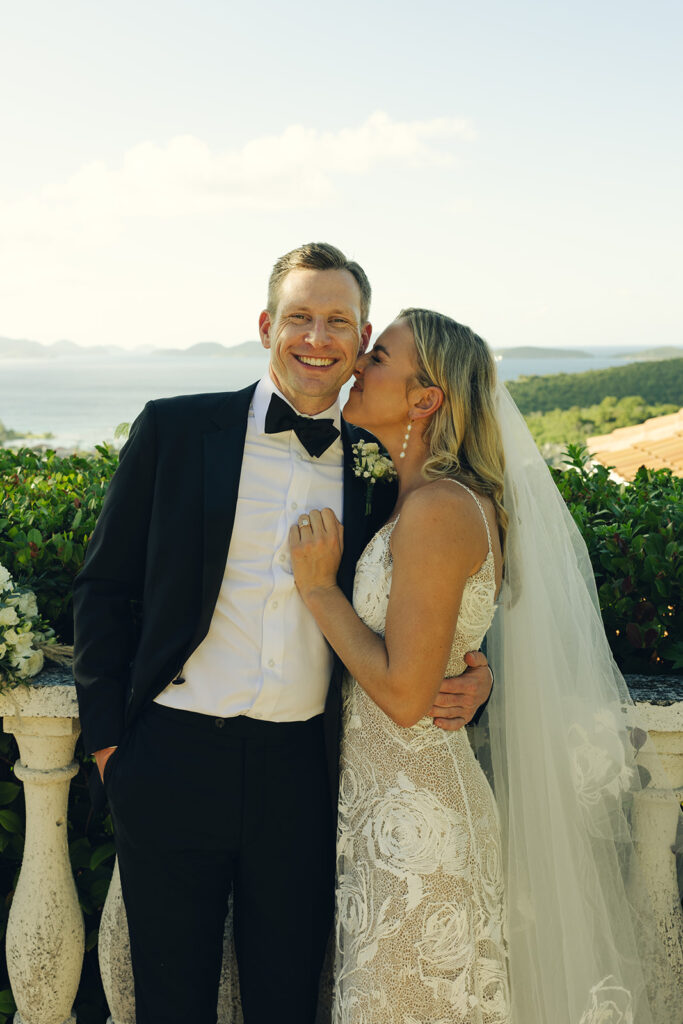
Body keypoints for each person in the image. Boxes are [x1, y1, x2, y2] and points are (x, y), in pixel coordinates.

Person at [72, 244, 493, 1024]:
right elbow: (104, 590)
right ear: (267, 325)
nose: (317, 337)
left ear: (362, 342)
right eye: (299, 316)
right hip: (168, 758)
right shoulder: (174, 429)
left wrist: (477, 671)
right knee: (170, 1001)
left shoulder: (380, 455)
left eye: (338, 322)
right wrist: (110, 749)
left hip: (302, 772)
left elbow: (424, 597)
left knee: (290, 997)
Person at [291, 309, 676, 1024]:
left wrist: (317, 589)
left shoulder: (438, 507)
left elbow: (406, 696)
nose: (355, 364)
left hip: (420, 830)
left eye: (376, 356)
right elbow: (442, 641)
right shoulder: (416, 496)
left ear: (425, 398)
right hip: (385, 815)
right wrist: (484, 674)